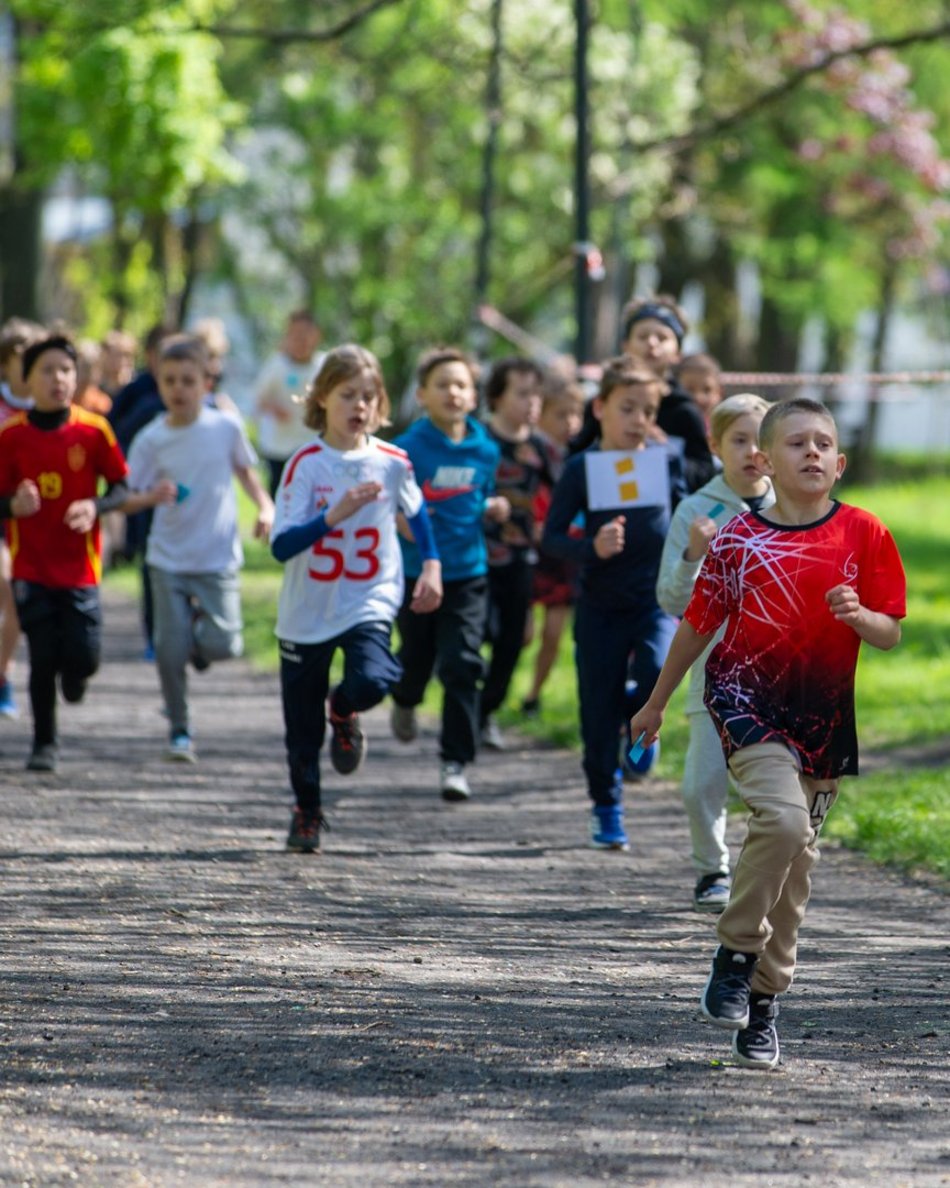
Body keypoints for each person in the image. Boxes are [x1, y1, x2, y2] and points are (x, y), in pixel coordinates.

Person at [630, 397, 906, 1070]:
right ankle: (734, 951)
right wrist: (656, 703)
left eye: (823, 444)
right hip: (743, 699)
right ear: (766, 462)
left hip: (822, 717)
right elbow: (696, 624)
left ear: (840, 463)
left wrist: (860, 615)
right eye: (796, 443)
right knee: (783, 823)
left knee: (796, 863)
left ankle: (762, 999)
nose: (811, 452)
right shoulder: (736, 539)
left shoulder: (865, 532)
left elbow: (890, 633)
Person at [270, 344, 442, 852]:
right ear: (322, 397)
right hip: (307, 610)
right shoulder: (304, 464)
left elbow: (417, 513)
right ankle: (307, 811)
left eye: (369, 396)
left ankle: (343, 709)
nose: (359, 406)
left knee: (375, 678)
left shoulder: (392, 461)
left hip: (369, 596)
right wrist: (332, 516)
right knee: (302, 730)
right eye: (348, 395)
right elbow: (281, 546)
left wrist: (432, 565)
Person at [541, 356, 685, 849]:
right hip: (599, 606)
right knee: (597, 711)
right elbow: (551, 538)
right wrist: (591, 547)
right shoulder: (581, 468)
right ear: (600, 408)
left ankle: (641, 721)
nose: (638, 419)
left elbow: (685, 515)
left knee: (657, 668)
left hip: (655, 599)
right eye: (627, 408)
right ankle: (606, 806)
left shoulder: (666, 460)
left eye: (648, 410)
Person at [122, 335, 274, 762]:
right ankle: (179, 728)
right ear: (158, 383)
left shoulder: (225, 428)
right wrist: (151, 496)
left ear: (207, 383)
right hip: (167, 558)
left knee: (226, 646)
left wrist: (266, 508)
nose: (178, 389)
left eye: (188, 381)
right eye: (169, 380)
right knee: (168, 652)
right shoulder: (152, 438)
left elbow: (247, 474)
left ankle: (195, 639)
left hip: (217, 556)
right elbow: (126, 496)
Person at [656, 394, 774, 913]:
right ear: (715, 446)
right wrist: (693, 555)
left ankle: (767, 872)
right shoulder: (695, 511)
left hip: (782, 673)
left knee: (775, 789)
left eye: (761, 440)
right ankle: (711, 870)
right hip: (716, 672)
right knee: (701, 784)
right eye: (739, 440)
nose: (752, 452)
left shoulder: (796, 507)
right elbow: (671, 600)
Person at [0, 334, 130, 772]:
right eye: (47, 370)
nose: (58, 378)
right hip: (31, 566)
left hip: (80, 569)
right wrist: (12, 506)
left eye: (66, 370)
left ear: (76, 378)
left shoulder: (94, 430)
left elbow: (121, 487)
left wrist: (95, 505)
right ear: (27, 380)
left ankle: (76, 676)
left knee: (83, 657)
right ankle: (44, 744)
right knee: (41, 657)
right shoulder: (11, 436)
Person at [389, 346, 509, 802]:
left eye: (461, 385)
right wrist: (408, 533)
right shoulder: (408, 449)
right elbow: (392, 506)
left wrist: (492, 507)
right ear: (422, 394)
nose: (453, 393)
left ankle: (455, 762)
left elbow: (481, 496)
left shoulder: (486, 449)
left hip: (468, 573)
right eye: (442, 385)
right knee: (416, 659)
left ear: (474, 396)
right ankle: (405, 698)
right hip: (416, 572)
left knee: (462, 663)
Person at [480, 356, 549, 750]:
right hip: (477, 555)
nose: (532, 402)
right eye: (522, 393)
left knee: (511, 641)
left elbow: (567, 488)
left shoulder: (540, 448)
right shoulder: (478, 441)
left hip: (522, 557)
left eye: (536, 394)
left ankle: (485, 711)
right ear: (496, 397)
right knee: (478, 631)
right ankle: (465, 699)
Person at [521, 380, 585, 718]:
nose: (570, 423)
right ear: (541, 415)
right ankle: (493, 685)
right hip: (530, 552)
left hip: (562, 554)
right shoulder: (528, 452)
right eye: (561, 415)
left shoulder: (578, 455)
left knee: (554, 634)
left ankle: (533, 696)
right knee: (523, 633)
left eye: (576, 414)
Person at [620, 295, 717, 492]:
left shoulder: (685, 411)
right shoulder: (605, 403)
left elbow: (704, 473)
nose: (651, 343)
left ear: (678, 352)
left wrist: (666, 452)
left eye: (662, 338)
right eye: (642, 336)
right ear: (626, 346)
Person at [0, 317, 44, 720]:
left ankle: (3, 673)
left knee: (15, 603)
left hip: (35, 528)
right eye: (23, 359)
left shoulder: (53, 412)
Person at [253, 310, 325, 497]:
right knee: (279, 492)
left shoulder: (323, 366)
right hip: (278, 446)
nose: (301, 341)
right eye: (295, 335)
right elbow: (259, 398)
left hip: (311, 443)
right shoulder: (277, 365)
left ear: (317, 335)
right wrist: (274, 409)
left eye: (306, 334)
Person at [675, 352, 723, 427]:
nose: (698, 398)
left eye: (707, 390)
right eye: (689, 390)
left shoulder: (724, 430)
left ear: (719, 393)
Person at [99, 329, 138, 397]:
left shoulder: (139, 387)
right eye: (117, 355)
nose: (123, 360)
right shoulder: (94, 388)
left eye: (127, 355)